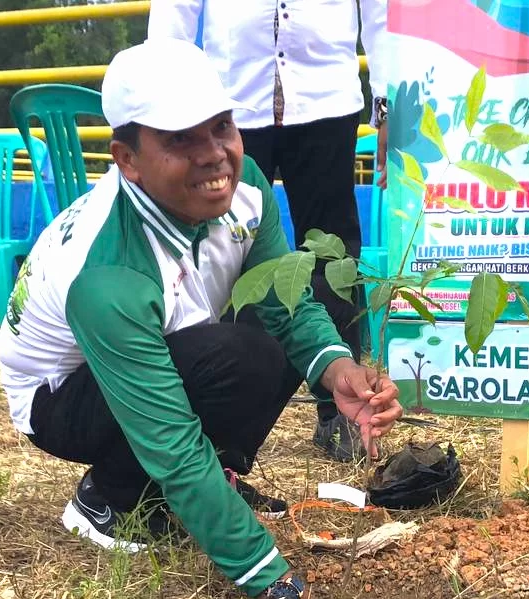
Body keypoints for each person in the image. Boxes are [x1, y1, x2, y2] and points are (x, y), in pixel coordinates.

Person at [0, 38, 402, 599]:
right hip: (61, 400)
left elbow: (283, 304)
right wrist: (282, 592)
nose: (215, 155)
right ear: (127, 160)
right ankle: (110, 500)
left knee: (264, 328)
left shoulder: (244, 184)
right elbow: (173, 444)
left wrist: (336, 371)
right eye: (180, 139)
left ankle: (212, 486)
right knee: (233, 358)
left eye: (222, 127)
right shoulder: (109, 275)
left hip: (165, 349)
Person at [148, 0, 390, 462]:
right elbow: (174, 10)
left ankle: (337, 411)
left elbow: (380, 13)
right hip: (233, 99)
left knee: (335, 254)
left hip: (326, 97)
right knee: (223, 247)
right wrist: (167, 102)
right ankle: (219, 408)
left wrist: (385, 103)